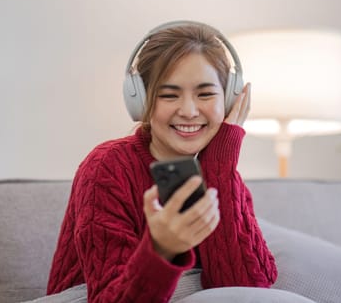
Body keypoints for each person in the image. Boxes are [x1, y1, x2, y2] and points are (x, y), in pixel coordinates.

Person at [46, 21, 277, 302]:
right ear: (140, 101)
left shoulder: (224, 175)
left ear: (228, 101)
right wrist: (161, 249)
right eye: (169, 95)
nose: (189, 111)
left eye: (205, 94)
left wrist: (219, 162)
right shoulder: (106, 168)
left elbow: (245, 290)